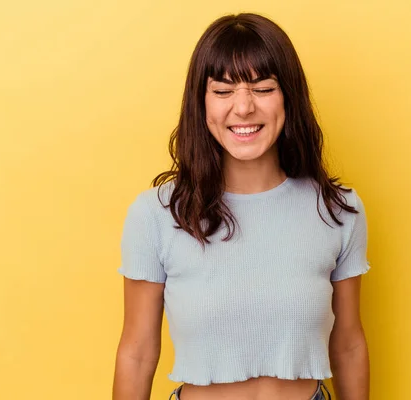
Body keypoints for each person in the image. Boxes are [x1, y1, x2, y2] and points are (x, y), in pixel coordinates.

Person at [113, 13, 371, 400]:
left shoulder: (337, 210)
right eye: (222, 91)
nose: (244, 107)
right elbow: (136, 352)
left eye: (263, 88)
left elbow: (349, 343)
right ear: (201, 103)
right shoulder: (156, 215)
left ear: (289, 97)